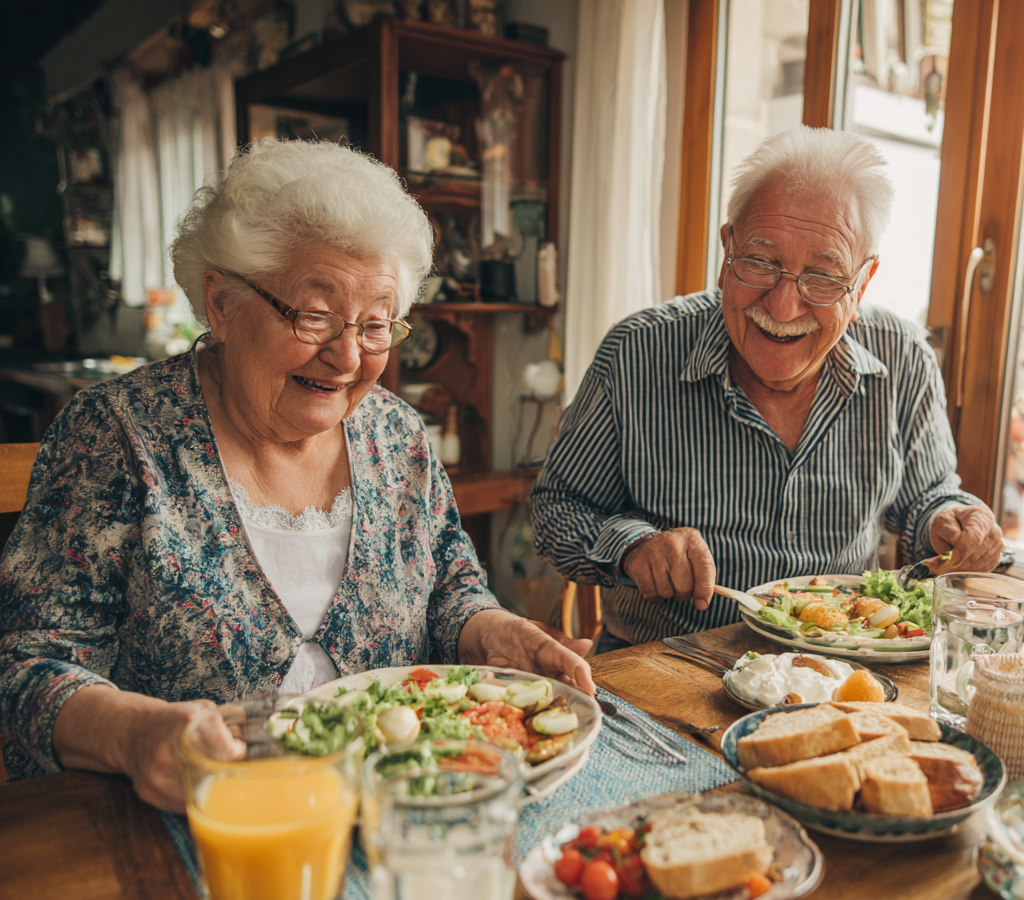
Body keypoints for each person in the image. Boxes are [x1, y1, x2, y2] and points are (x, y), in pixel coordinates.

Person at [0, 139, 593, 808]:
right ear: (221, 302)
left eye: (375, 325)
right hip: (187, 829)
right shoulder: (114, 436)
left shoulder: (396, 435)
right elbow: (24, 671)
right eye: (314, 315)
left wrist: (489, 628)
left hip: (406, 816)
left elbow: (449, 587)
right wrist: (133, 735)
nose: (346, 356)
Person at [532, 126, 1003, 651]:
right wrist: (632, 546)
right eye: (760, 262)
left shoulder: (904, 357)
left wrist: (951, 522)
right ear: (727, 249)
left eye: (823, 277)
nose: (782, 307)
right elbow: (557, 508)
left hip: (841, 675)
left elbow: (926, 500)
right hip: (665, 669)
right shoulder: (637, 353)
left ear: (863, 281)